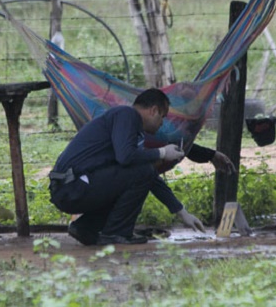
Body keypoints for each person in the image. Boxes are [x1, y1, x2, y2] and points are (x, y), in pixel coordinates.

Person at [49, 88, 188, 245]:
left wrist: (180, 210)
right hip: (72, 187)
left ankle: (85, 228)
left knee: (140, 173)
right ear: (154, 110)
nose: (162, 123)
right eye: (162, 117)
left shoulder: (126, 125)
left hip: (68, 188)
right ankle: (116, 233)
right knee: (142, 171)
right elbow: (128, 158)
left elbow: (147, 176)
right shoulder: (127, 115)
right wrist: (161, 153)